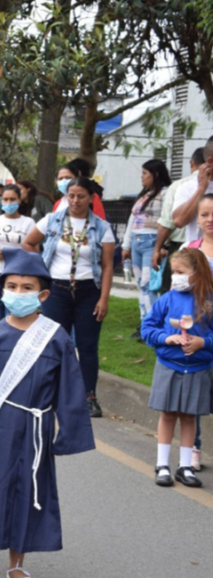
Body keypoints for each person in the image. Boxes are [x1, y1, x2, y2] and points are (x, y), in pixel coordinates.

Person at [0, 248, 95, 578]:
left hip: (35, 428)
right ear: (2, 289)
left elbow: (69, 388)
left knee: (28, 492)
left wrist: (67, 434)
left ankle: (17, 564)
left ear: (42, 294)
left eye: (27, 288)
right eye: (11, 286)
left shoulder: (55, 338)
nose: (18, 293)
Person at [23, 176, 115, 418]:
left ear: (91, 198)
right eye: (71, 196)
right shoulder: (52, 220)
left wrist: (103, 298)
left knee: (86, 346)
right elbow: (29, 243)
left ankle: (88, 395)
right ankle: (48, 391)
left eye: (81, 196)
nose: (75, 200)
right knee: (53, 341)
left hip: (88, 292)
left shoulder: (102, 228)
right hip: (57, 290)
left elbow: (107, 267)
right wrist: (41, 271)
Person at [140, 248, 213, 488]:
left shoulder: (209, 301)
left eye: (181, 272)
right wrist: (165, 338)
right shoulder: (167, 299)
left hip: (198, 368)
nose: (175, 277)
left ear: (197, 273)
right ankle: (162, 464)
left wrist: (203, 342)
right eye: (174, 272)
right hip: (169, 365)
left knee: (190, 417)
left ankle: (184, 466)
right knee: (168, 414)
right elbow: (147, 328)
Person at [122, 159, 171, 325]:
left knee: (148, 284)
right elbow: (132, 220)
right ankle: (144, 322)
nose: (141, 177)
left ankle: (153, 324)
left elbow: (168, 220)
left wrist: (164, 245)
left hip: (152, 242)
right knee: (140, 284)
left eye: (145, 173)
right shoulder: (144, 195)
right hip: (136, 242)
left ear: (155, 174)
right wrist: (126, 245)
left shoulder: (166, 193)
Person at [0, 184, 37, 323]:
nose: (9, 202)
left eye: (12, 199)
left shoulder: (28, 222)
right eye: (5, 199)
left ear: (19, 200)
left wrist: (14, 254)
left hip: (18, 274)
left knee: (12, 315)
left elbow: (35, 251)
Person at [155, 148, 202, 294]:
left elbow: (168, 222)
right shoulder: (187, 186)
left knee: (172, 294)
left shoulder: (179, 185)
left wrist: (157, 248)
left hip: (181, 248)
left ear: (191, 163)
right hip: (190, 247)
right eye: (204, 214)